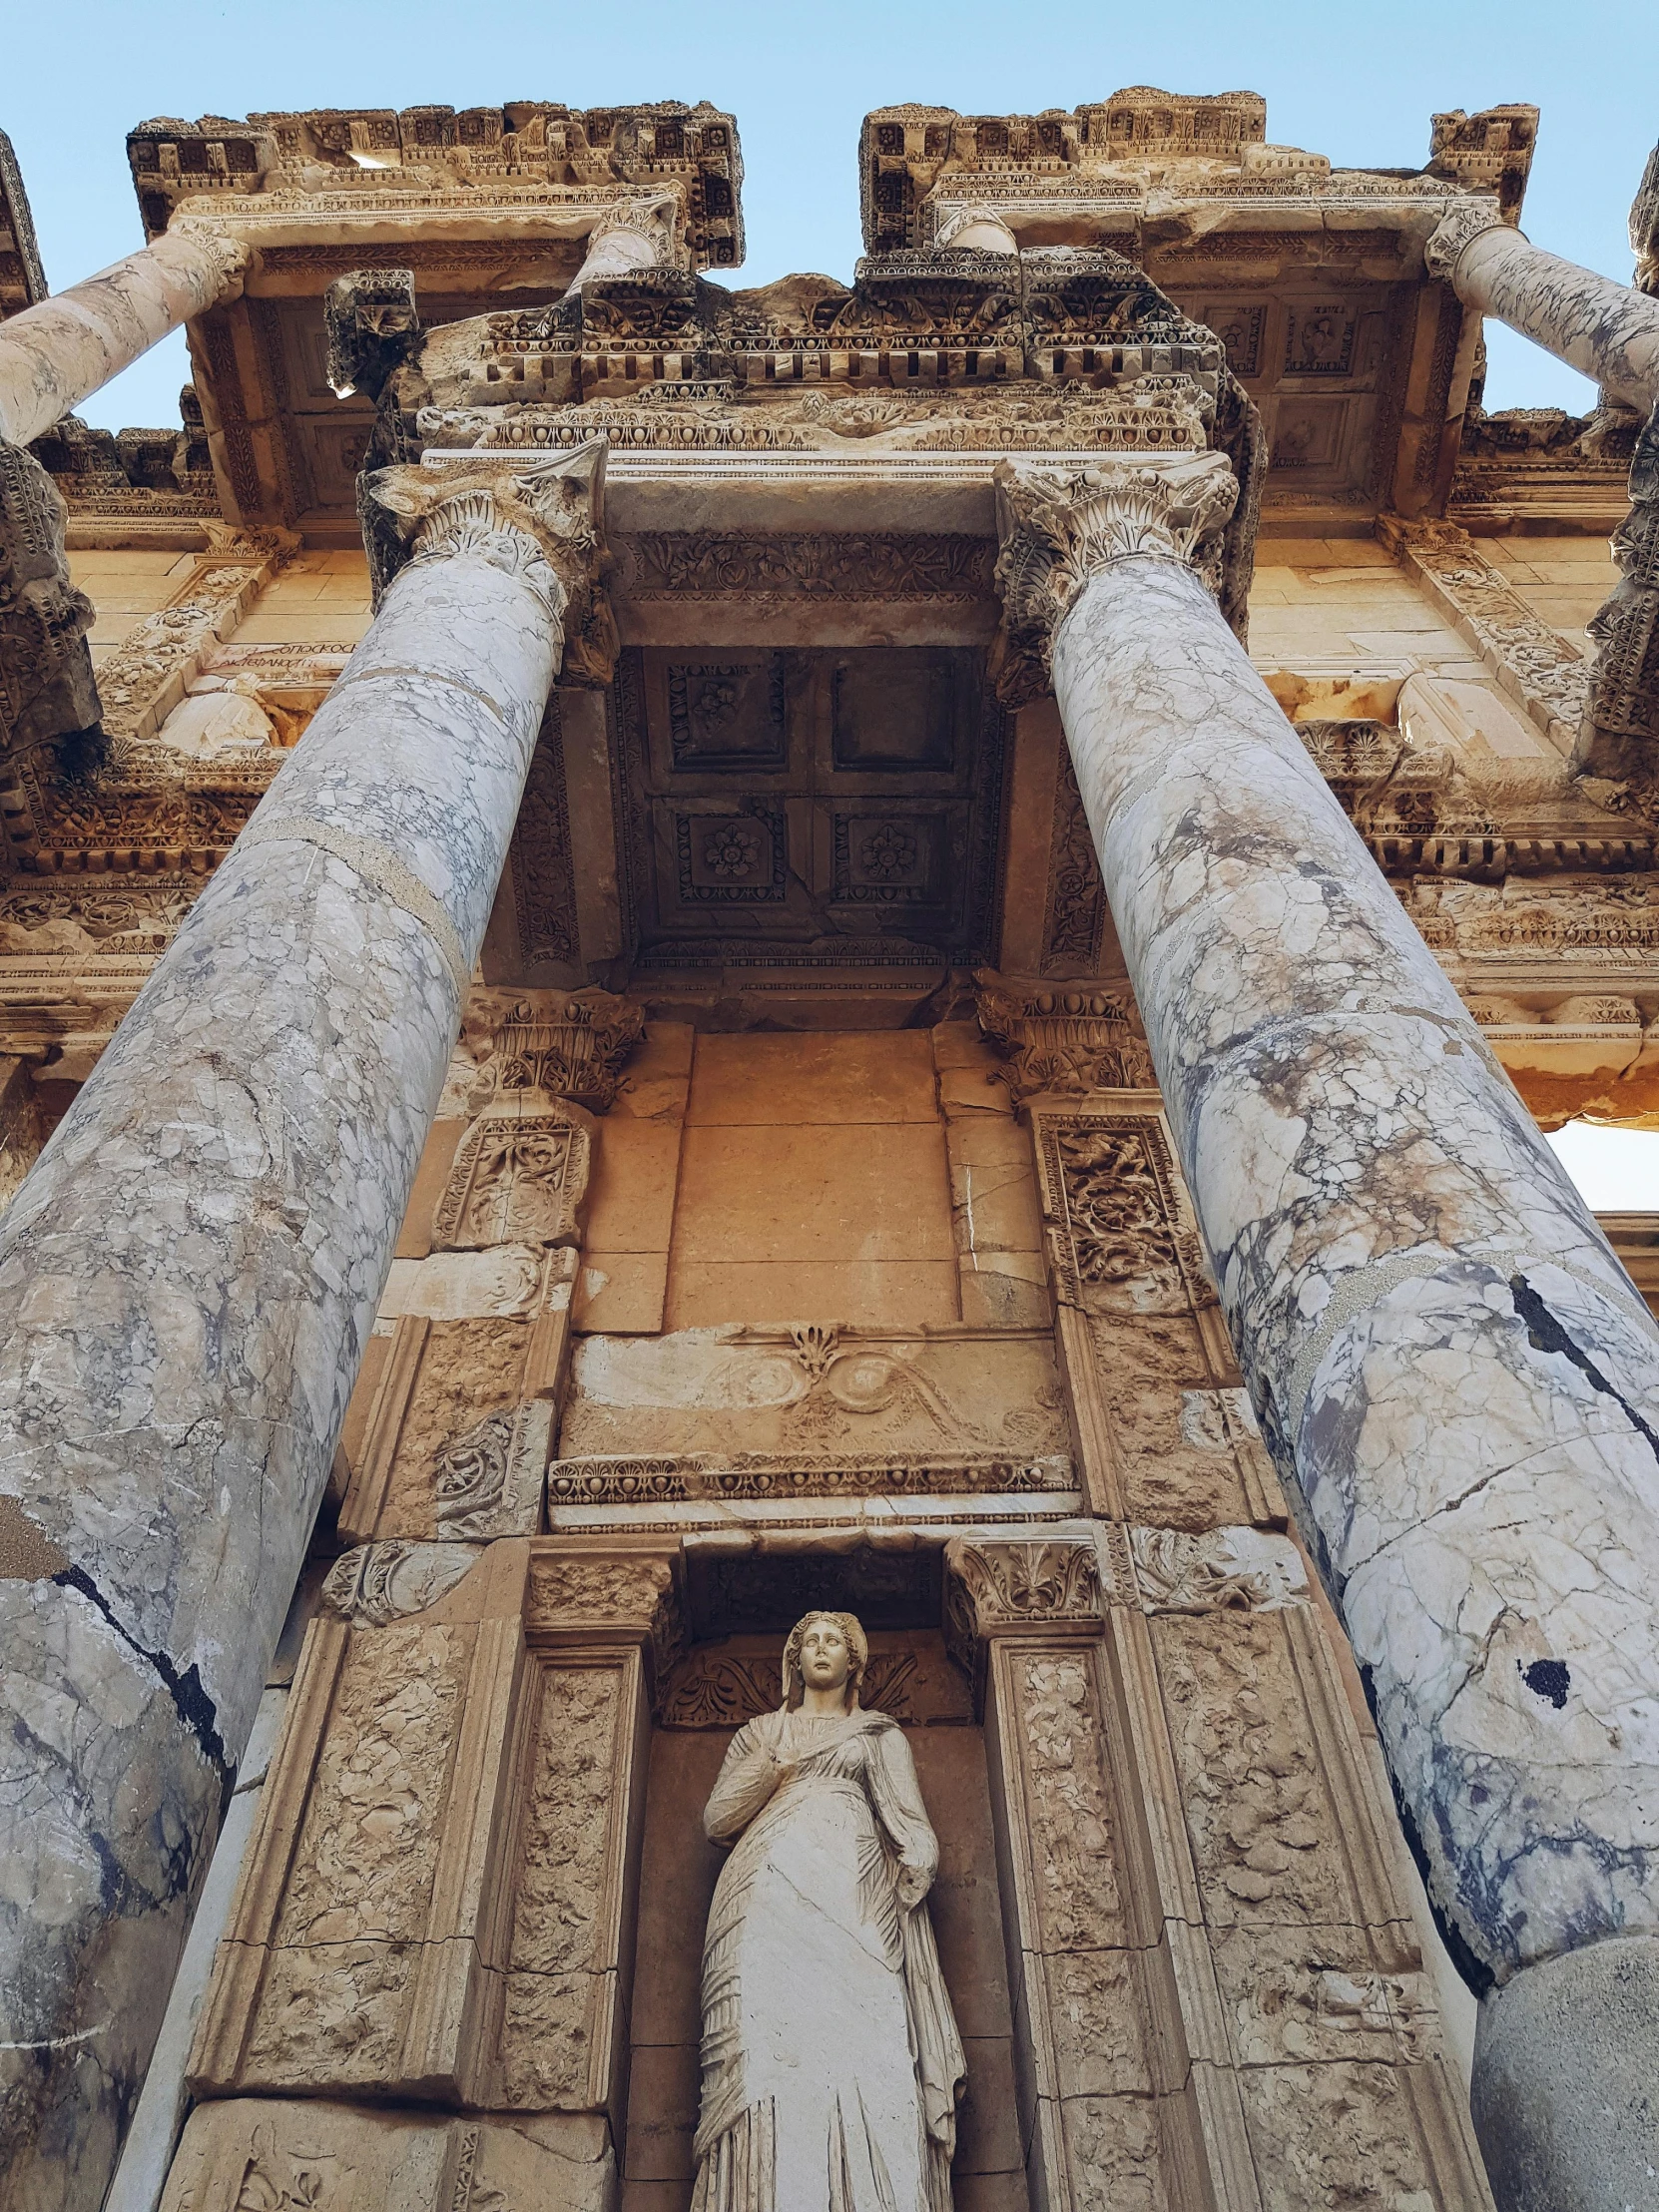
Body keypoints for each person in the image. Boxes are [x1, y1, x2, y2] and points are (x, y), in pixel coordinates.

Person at [692, 1609, 966, 2211]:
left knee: (872, 2046)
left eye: (833, 1641)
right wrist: (775, 1770)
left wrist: (917, 1864)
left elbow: (912, 1827)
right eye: (809, 1641)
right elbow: (717, 1821)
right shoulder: (764, 1734)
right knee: (767, 2055)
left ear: (854, 1660)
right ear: (794, 1659)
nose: (820, 1649)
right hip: (763, 1900)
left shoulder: (877, 1735)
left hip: (855, 1899)